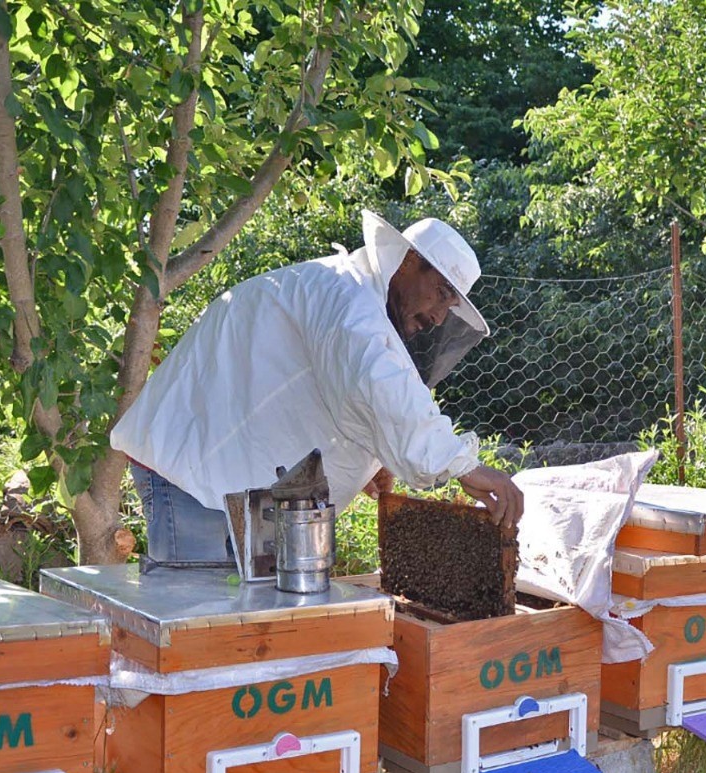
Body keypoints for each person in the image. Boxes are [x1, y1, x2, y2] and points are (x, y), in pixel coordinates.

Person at [111, 210, 523, 567]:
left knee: (242, 619)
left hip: (235, 476)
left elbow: (325, 393)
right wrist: (460, 464)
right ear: (409, 260)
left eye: (450, 305)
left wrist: (374, 454)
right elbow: (377, 381)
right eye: (441, 294)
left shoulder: (354, 302)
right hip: (191, 465)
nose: (439, 317)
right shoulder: (345, 297)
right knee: (195, 616)